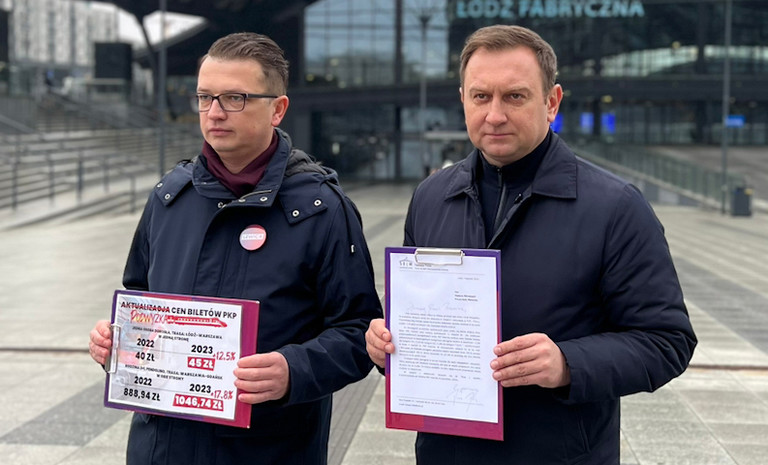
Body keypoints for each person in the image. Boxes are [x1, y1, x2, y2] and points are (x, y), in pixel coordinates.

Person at [365, 24, 696, 464]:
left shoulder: (615, 207)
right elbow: (412, 320)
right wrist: (387, 345)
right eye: (481, 96)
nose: (495, 115)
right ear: (463, 99)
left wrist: (567, 363)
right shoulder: (431, 197)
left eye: (515, 96)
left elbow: (667, 341)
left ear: (552, 102)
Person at [88, 32, 381, 465]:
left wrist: (293, 370)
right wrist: (116, 341)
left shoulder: (321, 209)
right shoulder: (169, 197)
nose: (215, 112)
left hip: (268, 451)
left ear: (277, 109)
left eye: (235, 98)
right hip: (162, 450)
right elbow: (139, 298)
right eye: (205, 97)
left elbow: (359, 332)